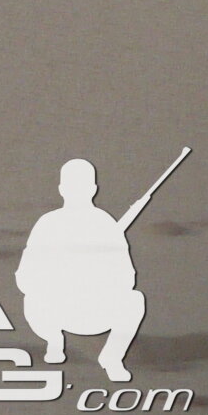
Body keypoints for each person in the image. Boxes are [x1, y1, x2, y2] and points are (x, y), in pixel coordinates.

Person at [17, 158, 152, 382]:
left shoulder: (105, 224)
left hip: (95, 311)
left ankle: (112, 358)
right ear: (93, 189)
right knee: (32, 299)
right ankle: (54, 341)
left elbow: (127, 279)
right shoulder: (48, 224)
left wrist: (94, 277)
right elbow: (25, 278)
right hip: (55, 310)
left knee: (134, 300)